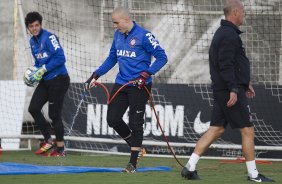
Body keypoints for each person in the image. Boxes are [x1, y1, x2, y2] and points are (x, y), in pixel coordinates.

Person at [181, 0, 274, 182]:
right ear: (236, 12)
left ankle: (189, 167)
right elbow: (225, 65)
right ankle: (254, 175)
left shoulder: (225, 33)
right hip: (229, 91)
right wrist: (234, 88)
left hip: (225, 89)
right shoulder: (228, 35)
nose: (245, 15)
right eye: (244, 12)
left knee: (216, 129)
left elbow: (233, 64)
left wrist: (244, 82)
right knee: (248, 130)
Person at [85, 7, 167, 172]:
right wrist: (96, 74)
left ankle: (132, 163)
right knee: (112, 119)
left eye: (116, 22)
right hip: (122, 83)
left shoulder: (144, 36)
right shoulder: (118, 35)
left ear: (126, 19)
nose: (115, 26)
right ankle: (136, 147)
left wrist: (146, 74)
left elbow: (162, 57)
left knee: (136, 123)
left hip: (140, 85)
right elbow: (112, 58)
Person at [25, 12, 70, 157]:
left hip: (59, 78)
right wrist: (34, 74)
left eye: (37, 25)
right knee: (33, 108)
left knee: (54, 114)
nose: (34, 28)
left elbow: (61, 58)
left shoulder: (49, 37)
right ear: (28, 28)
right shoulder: (32, 42)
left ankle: (61, 150)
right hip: (46, 80)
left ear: (40, 24)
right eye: (31, 26)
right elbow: (38, 63)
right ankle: (48, 140)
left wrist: (44, 68)